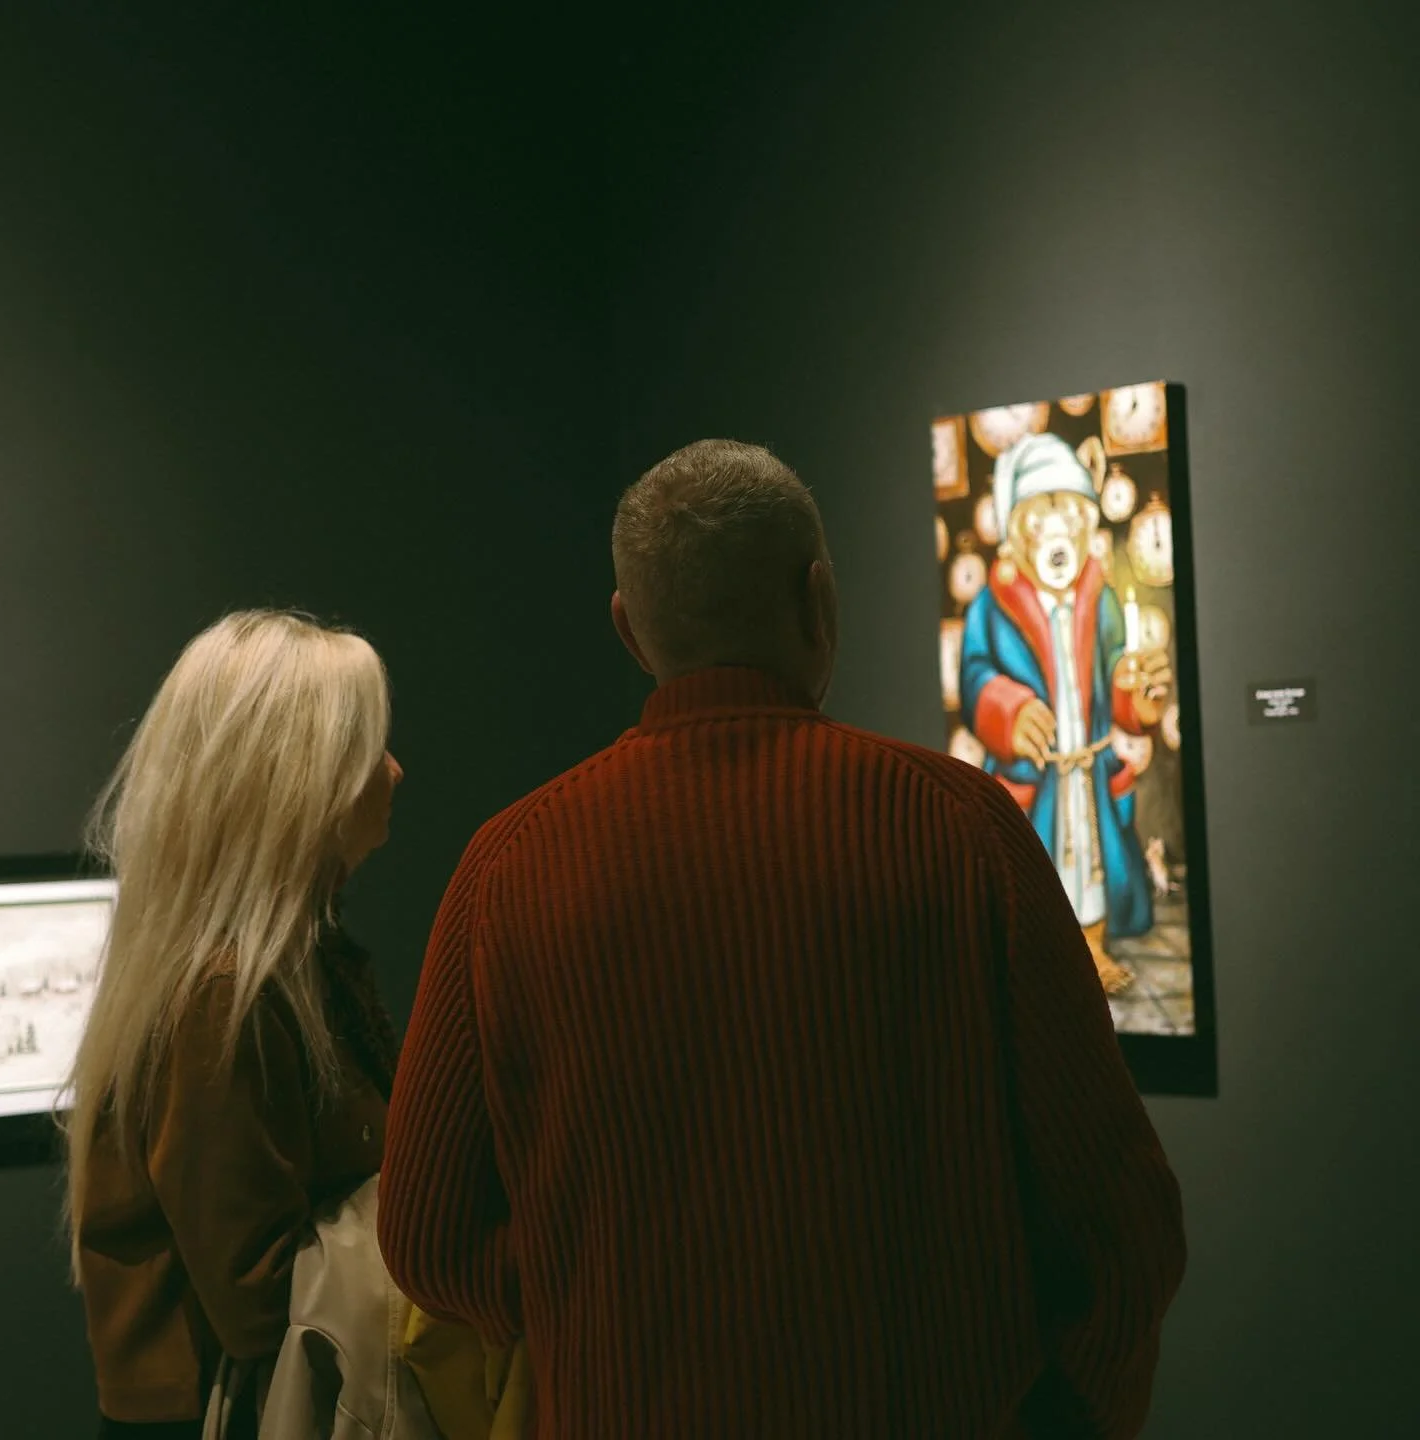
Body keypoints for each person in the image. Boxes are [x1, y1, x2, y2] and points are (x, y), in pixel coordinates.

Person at [377, 440, 1187, 1439]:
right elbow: (1123, 1226)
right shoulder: (962, 831)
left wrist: (588, 1285)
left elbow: (428, 1236)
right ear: (820, 601)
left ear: (628, 629)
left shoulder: (509, 867)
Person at [66, 609, 406, 1439]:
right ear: (302, 781)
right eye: (369, 748)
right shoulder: (228, 994)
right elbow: (259, 1303)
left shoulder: (288, 966)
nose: (394, 770)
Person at [960, 432, 1172, 994]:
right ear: (1016, 535)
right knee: (1038, 865)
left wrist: (1139, 697)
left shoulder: (1100, 599)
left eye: (1070, 521)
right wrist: (1011, 712)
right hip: (1038, 773)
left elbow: (1117, 672)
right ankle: (1041, 961)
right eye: (1040, 522)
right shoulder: (992, 606)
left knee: (1092, 865)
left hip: (1087, 769)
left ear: (1086, 526)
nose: (1058, 538)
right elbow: (975, 675)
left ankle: (1093, 948)